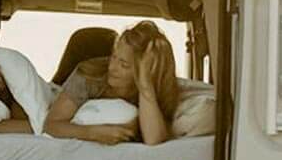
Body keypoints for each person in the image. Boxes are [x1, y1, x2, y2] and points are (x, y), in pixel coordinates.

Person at [44, 20, 181, 145]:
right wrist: (93, 133)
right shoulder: (88, 73)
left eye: (124, 65)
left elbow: (154, 139)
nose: (111, 67)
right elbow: (51, 125)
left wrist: (145, 83)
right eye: (114, 57)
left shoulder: (160, 89)